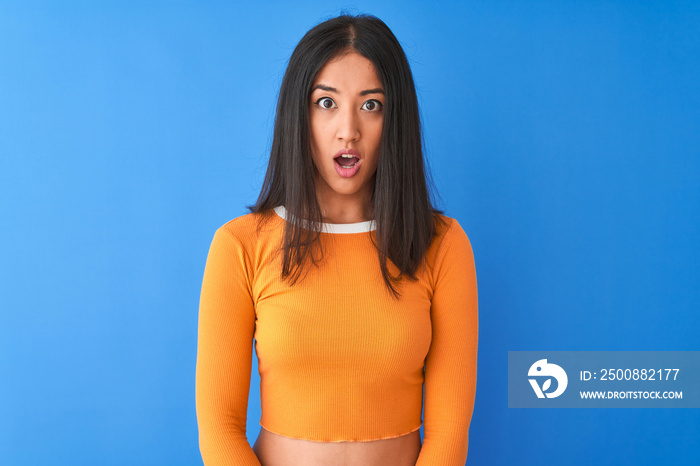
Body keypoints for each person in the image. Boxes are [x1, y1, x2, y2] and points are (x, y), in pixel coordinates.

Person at [195, 12, 478, 466]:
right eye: (326, 103)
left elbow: (449, 433)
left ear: (395, 119)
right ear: (299, 114)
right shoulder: (240, 246)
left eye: (371, 105)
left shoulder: (442, 245)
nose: (349, 129)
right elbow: (218, 428)